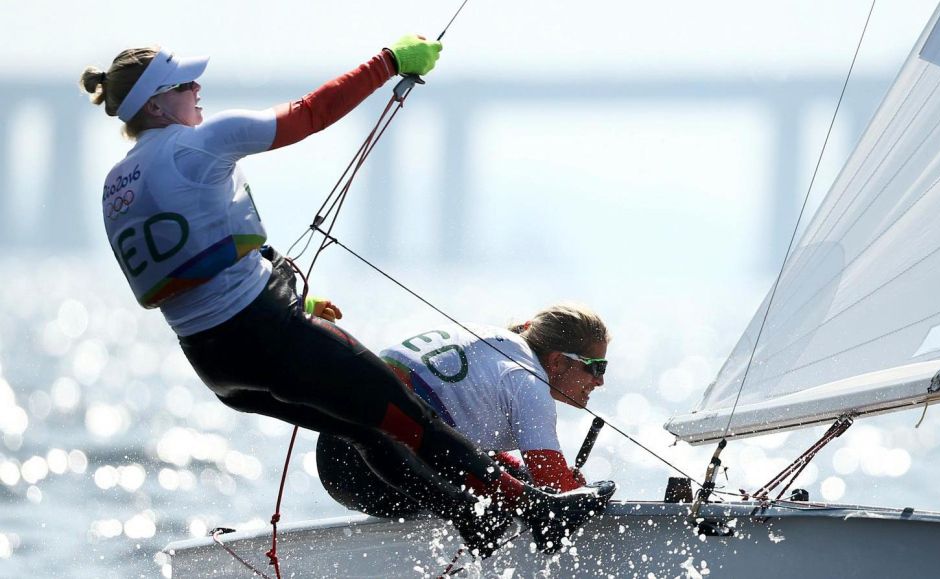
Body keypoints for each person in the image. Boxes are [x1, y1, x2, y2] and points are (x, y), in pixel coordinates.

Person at [81, 40, 614, 558]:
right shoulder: (199, 142)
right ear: (154, 104)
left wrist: (295, 302)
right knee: (412, 419)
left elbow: (193, 268)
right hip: (267, 336)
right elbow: (310, 114)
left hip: (215, 365)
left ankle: (472, 521)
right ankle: (538, 512)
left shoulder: (116, 183)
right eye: (183, 83)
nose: (198, 88)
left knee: (369, 427)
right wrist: (389, 63)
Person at [318, 304, 610, 522]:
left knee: (519, 483)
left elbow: (459, 442)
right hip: (372, 467)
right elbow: (555, 485)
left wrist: (529, 479)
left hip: (339, 447)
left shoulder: (497, 342)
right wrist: (576, 491)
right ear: (557, 361)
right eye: (596, 367)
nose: (600, 381)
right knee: (537, 499)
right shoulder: (528, 382)